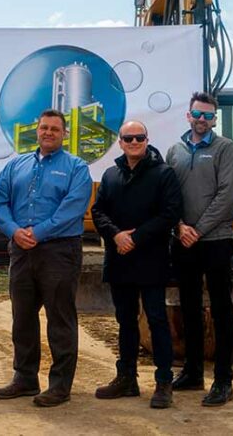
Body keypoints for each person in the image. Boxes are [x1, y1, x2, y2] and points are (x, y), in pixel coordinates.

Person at [0, 109, 92, 408]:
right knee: (22, 317)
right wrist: (13, 230)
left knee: (60, 318)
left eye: (55, 129)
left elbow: (72, 208)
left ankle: (60, 385)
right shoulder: (16, 165)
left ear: (64, 133)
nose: (48, 132)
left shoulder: (77, 168)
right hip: (21, 250)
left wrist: (39, 232)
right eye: (44, 127)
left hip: (59, 251)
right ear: (37, 131)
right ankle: (25, 378)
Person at [90, 120, 182, 409]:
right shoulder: (110, 175)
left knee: (156, 321)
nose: (133, 143)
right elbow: (98, 211)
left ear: (146, 139)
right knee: (125, 321)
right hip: (120, 259)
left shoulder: (164, 173)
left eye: (138, 138)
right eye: (127, 138)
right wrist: (116, 235)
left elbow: (170, 214)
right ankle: (126, 378)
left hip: (151, 259)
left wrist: (137, 237)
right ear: (120, 142)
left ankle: (164, 382)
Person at [165, 92, 233, 406]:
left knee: (221, 309)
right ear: (188, 115)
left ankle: (223, 380)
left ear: (214, 119)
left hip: (216, 241)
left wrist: (198, 229)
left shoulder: (225, 149)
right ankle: (193, 371)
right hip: (183, 241)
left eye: (208, 116)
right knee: (190, 306)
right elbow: (168, 195)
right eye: (198, 114)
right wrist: (179, 226)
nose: (202, 120)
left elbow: (227, 195)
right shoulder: (175, 151)